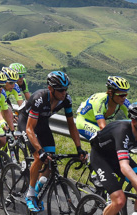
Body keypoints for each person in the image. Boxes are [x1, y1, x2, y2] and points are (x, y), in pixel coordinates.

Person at [17, 71, 86, 213]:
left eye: (66, 89)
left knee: (50, 160)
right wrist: (40, 151)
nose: (64, 92)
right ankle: (29, 195)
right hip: (26, 123)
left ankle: (36, 191)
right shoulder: (39, 98)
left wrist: (79, 148)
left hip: (42, 124)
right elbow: (30, 128)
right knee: (39, 156)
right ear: (50, 89)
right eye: (61, 89)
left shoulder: (66, 99)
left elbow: (71, 125)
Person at [75, 76, 131, 140]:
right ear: (110, 93)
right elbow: (103, 128)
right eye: (121, 95)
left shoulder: (124, 102)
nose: (124, 98)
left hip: (97, 123)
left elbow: (133, 121)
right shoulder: (99, 101)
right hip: (84, 121)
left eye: (125, 95)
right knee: (104, 139)